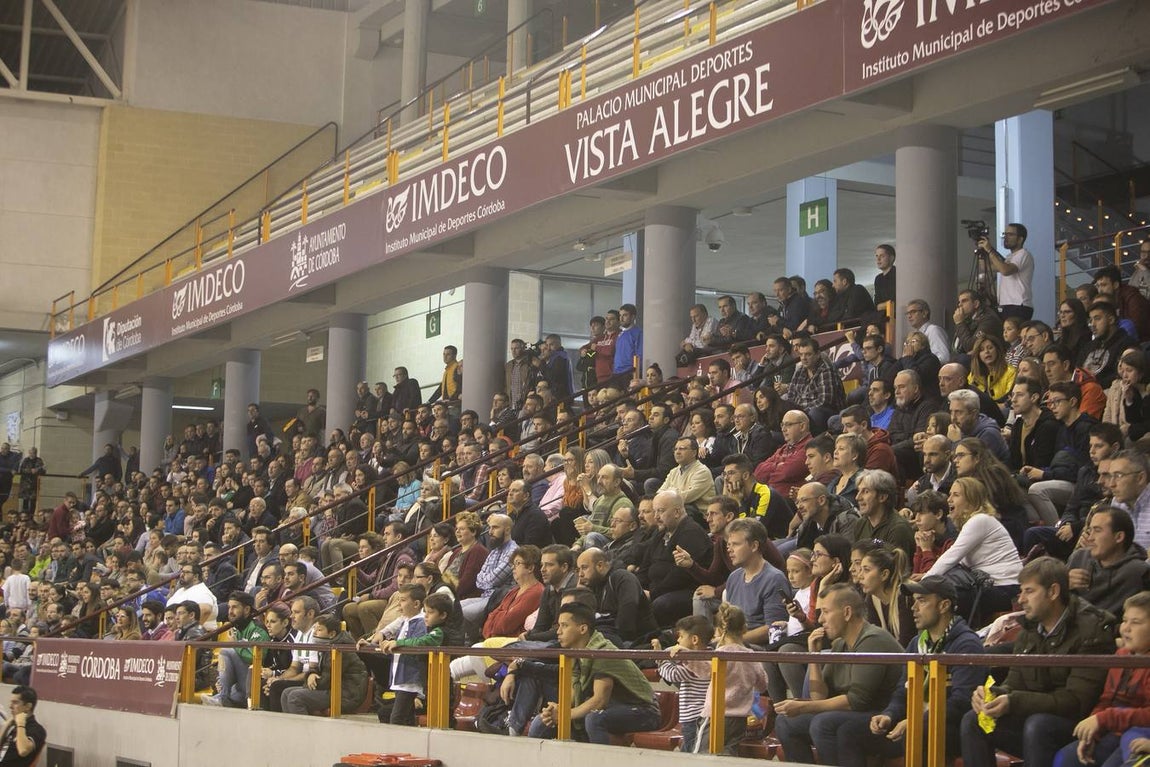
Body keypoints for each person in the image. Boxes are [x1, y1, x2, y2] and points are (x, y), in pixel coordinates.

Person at [961, 557, 1117, 767]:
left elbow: (1077, 702)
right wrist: (993, 696)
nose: (1021, 599)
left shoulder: (1092, 630)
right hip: (1036, 719)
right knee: (973, 720)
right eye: (1021, 592)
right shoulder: (1029, 630)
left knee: (1039, 725)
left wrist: (1013, 701)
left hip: (1080, 725)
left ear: (1053, 592)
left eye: (1029, 591)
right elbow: (1014, 684)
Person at [854, 576, 985, 765]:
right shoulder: (917, 643)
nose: (913, 608)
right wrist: (889, 715)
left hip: (952, 728)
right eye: (914, 601)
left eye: (922, 601)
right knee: (848, 731)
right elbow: (903, 690)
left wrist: (915, 721)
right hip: (919, 721)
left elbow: (961, 702)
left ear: (944, 605)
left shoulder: (966, 644)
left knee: (918, 731)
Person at [773, 583, 905, 765]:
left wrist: (803, 707)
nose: (820, 620)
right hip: (857, 714)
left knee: (823, 723)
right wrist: (814, 657)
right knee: (785, 722)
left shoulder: (873, 641)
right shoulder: (840, 644)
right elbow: (819, 695)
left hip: (884, 718)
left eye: (826, 612)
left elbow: (857, 701)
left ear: (847, 613)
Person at [528, 603, 660, 743]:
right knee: (541, 719)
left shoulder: (602, 652)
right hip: (611, 708)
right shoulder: (573, 654)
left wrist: (564, 714)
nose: (558, 632)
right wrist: (557, 709)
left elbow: (599, 701)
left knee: (594, 719)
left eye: (564, 626)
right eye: (558, 626)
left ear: (583, 629)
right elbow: (573, 694)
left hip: (644, 711)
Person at [1054, 591, 1150, 767]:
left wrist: (1104, 719)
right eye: (1124, 620)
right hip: (1113, 729)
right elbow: (1106, 700)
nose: (1126, 628)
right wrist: (1092, 733)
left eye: (1135, 623)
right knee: (1065, 759)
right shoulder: (1120, 655)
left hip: (1138, 731)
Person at [694, 604, 768, 754]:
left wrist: (684, 656)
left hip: (714, 716)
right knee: (728, 756)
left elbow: (703, 671)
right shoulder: (751, 656)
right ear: (744, 628)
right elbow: (762, 685)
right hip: (739, 719)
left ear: (718, 630)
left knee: (702, 756)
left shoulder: (719, 654)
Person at [1067, 506, 1150, 620]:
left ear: (1119, 537)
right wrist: (1065, 584)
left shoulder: (1139, 573)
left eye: (1097, 530)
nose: (1090, 538)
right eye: (1090, 530)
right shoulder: (1079, 558)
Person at [280, 613, 367, 716]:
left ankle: (304, 730)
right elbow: (317, 669)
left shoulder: (341, 650)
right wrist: (311, 674)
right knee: (286, 693)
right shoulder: (325, 645)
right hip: (330, 688)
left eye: (319, 630)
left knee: (295, 697)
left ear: (331, 634)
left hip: (346, 694)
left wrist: (310, 680)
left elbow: (326, 681)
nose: (314, 633)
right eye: (314, 629)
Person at [201, 591, 270, 708]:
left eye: (234, 607)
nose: (230, 611)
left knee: (226, 651)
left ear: (247, 610)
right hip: (240, 686)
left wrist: (235, 644)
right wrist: (222, 681)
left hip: (256, 683)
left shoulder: (258, 629)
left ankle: (221, 697)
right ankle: (222, 695)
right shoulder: (237, 629)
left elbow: (256, 659)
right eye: (229, 607)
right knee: (233, 694)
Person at [656, 615, 712, 753]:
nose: (678, 641)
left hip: (695, 717)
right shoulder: (709, 656)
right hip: (695, 717)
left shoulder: (695, 662)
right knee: (687, 749)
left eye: (681, 637)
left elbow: (672, 674)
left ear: (694, 640)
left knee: (690, 752)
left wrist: (660, 658)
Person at [780, 337, 845, 435]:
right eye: (801, 354)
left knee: (815, 413)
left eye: (808, 354)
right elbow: (791, 396)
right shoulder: (800, 371)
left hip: (828, 412)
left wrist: (800, 409)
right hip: (804, 411)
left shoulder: (825, 370)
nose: (803, 358)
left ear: (818, 354)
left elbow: (824, 401)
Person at [850, 469, 914, 559]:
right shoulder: (860, 523)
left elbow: (898, 569)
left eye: (866, 491)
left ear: (882, 497)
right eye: (858, 491)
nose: (857, 497)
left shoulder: (898, 529)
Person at [979, 222, 1034, 320]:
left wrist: (990, 250)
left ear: (1020, 239)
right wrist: (982, 251)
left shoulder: (1023, 254)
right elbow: (985, 267)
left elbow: (1005, 270)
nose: (1006, 237)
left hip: (1018, 305)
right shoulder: (1010, 257)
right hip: (1007, 305)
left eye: (1010, 234)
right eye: (1005, 234)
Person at [753, 410, 813, 499]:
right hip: (770, 497)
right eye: (782, 425)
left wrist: (770, 471)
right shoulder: (784, 448)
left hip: (789, 501)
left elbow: (788, 472)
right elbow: (758, 472)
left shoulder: (810, 446)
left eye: (788, 425)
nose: (783, 429)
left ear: (802, 426)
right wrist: (778, 465)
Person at [1094, 265, 1150, 341]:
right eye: (1098, 286)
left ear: (1115, 285)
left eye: (1104, 285)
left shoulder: (1132, 298)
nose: (1100, 290)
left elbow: (1137, 327)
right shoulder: (1107, 300)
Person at [0, 686, 45, 766]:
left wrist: (21, 724)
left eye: (15, 702)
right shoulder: (13, 726)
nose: (10, 706)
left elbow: (23, 750)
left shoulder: (37, 729)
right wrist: (7, 725)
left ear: (28, 706)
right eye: (11, 702)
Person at [613, 303, 643, 375]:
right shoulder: (620, 334)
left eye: (625, 315)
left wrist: (635, 373)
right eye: (620, 315)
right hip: (616, 373)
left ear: (633, 317)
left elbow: (640, 356)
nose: (621, 318)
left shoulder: (638, 333)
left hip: (629, 373)